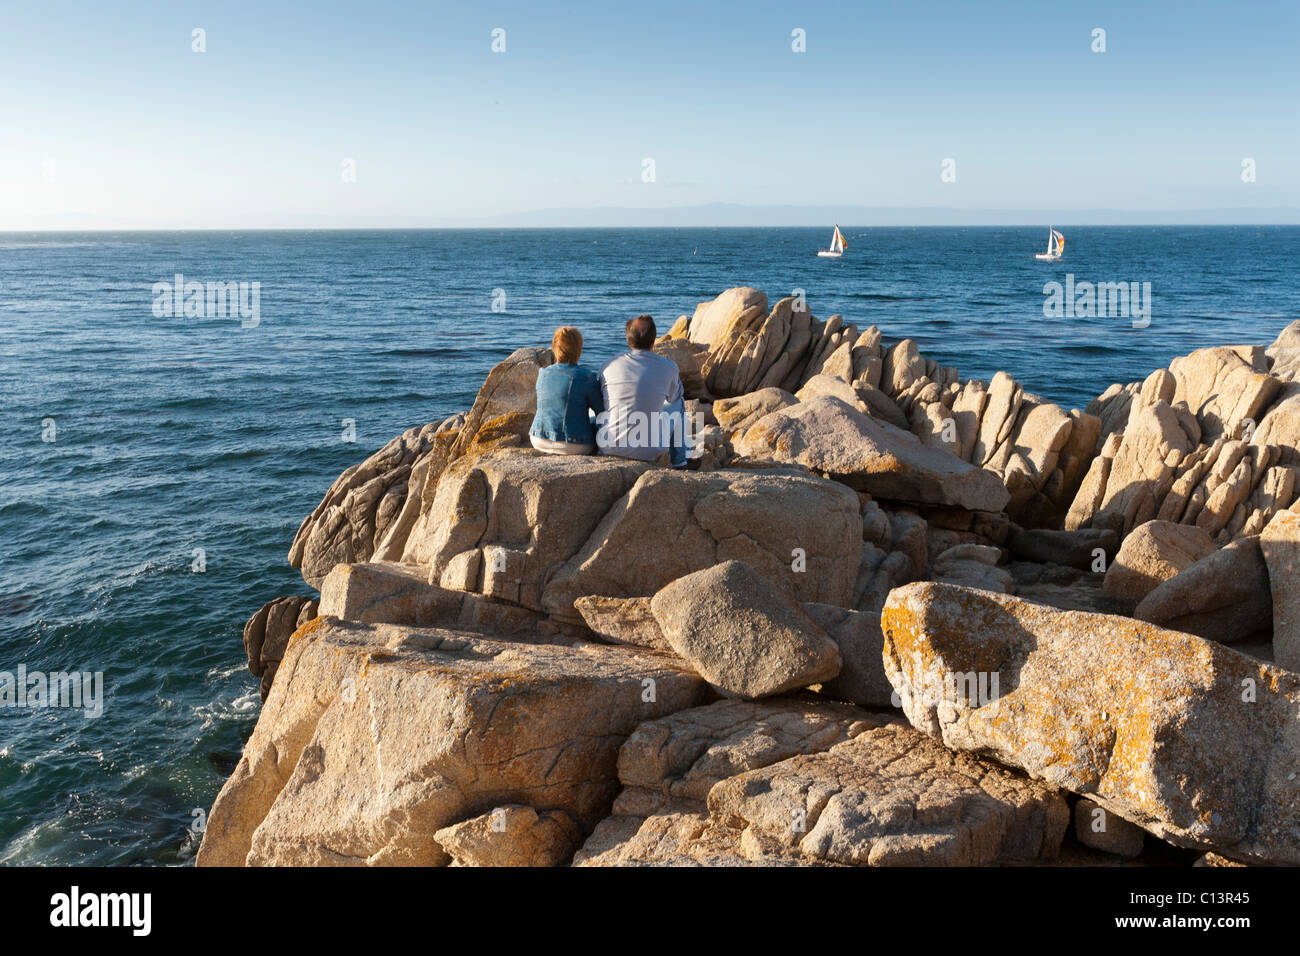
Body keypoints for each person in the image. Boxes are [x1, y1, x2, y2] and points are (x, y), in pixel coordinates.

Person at [597, 314, 688, 467]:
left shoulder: (608, 365)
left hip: (608, 445)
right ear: (654, 340)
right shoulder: (668, 367)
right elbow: (673, 399)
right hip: (649, 451)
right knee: (680, 403)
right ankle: (680, 462)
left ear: (628, 339)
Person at [529, 326, 604, 455]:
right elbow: (601, 412)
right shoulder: (586, 377)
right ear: (579, 349)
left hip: (538, 439)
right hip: (574, 445)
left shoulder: (542, 374)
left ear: (554, 348)